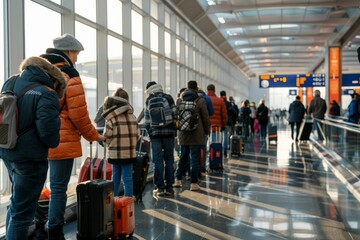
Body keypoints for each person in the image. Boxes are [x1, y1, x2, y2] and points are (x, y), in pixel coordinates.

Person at [41, 33, 105, 239]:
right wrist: (93, 135)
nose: (77, 58)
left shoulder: (37, 71)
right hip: (62, 140)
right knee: (59, 187)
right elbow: (79, 114)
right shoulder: (69, 74)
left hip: (35, 139)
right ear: (68, 52)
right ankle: (55, 230)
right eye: (76, 53)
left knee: (36, 187)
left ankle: (38, 226)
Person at [0, 56, 66, 240]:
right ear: (54, 80)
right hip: (30, 159)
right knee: (22, 215)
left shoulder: (11, 81)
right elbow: (49, 135)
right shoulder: (47, 93)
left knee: (16, 205)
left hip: (7, 150)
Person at [173, 80, 210, 190]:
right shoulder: (200, 100)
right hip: (196, 133)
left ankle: (178, 179)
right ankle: (193, 183)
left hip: (183, 132)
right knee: (195, 158)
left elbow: (177, 116)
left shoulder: (179, 100)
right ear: (197, 88)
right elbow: (205, 117)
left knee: (182, 156)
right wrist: (207, 131)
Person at [102, 88, 139, 197]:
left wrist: (109, 144)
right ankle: (128, 203)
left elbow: (107, 137)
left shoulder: (111, 119)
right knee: (127, 178)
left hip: (115, 153)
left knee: (115, 178)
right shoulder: (133, 117)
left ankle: (114, 202)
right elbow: (137, 134)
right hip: (129, 153)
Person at [144, 81, 178, 196]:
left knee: (157, 161)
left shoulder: (149, 100)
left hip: (155, 136)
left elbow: (147, 120)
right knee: (169, 159)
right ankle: (169, 187)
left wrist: (151, 132)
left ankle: (159, 188)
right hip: (169, 134)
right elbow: (175, 115)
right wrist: (173, 129)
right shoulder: (168, 98)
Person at [206, 84, 227, 154]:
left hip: (206, 126)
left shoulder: (204, 99)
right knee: (214, 143)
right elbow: (224, 115)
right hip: (216, 126)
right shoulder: (220, 101)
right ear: (214, 90)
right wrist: (223, 125)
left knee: (205, 143)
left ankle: (206, 159)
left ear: (207, 90)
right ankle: (214, 159)